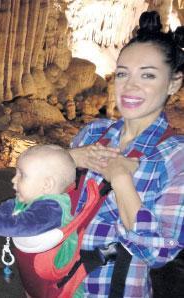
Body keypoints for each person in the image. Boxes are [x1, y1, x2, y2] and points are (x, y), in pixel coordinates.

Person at [67, 10, 184, 297]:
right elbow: (42, 195)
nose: (130, 86)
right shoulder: (94, 133)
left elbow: (158, 252)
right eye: (122, 73)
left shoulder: (174, 157)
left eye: (148, 75)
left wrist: (120, 180)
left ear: (173, 83)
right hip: (59, 282)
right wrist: (69, 159)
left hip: (111, 288)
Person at [0, 144, 81, 297]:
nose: (13, 180)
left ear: (47, 185)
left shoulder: (51, 209)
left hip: (60, 284)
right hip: (38, 272)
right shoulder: (34, 198)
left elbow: (20, 224)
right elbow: (12, 205)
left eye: (22, 175)